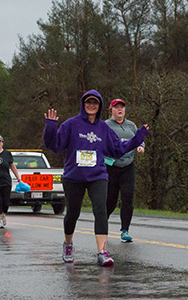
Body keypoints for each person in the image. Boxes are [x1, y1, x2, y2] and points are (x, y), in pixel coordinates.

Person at [43, 90, 149, 266]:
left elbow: (118, 149)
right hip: (74, 177)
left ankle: (102, 252)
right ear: (83, 104)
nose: (91, 105)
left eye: (95, 103)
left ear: (99, 106)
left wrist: (138, 138)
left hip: (97, 175)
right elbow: (53, 145)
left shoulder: (103, 128)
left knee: (101, 210)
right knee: (72, 214)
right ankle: (68, 244)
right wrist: (51, 127)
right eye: (88, 102)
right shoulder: (71, 125)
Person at [105, 99, 145, 243]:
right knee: (111, 200)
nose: (120, 109)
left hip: (128, 167)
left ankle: (125, 230)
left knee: (127, 198)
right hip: (111, 167)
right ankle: (103, 224)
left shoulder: (131, 125)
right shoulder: (105, 125)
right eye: (116, 107)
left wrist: (141, 146)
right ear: (111, 110)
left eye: (122, 107)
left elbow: (139, 139)